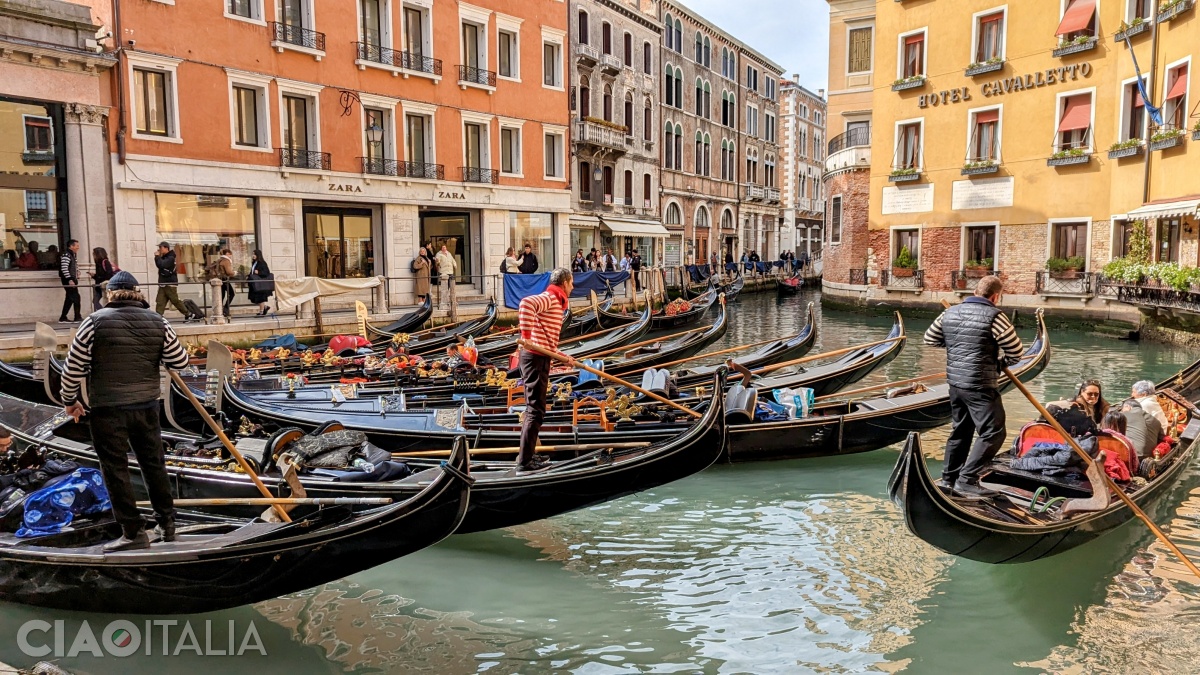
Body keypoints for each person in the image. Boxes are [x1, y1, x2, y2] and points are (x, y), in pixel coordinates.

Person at [60, 270, 187, 551]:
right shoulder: (159, 321)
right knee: (153, 464)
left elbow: (72, 369)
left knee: (115, 469)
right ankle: (167, 524)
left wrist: (70, 400)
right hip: (147, 406)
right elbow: (179, 361)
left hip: (108, 409)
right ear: (138, 293)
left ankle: (133, 533)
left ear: (110, 294)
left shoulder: (93, 323)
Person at [923, 276, 1025, 498]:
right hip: (980, 384)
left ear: (976, 291)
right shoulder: (995, 316)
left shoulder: (950, 313)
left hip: (956, 383)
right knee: (994, 432)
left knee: (961, 429)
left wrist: (955, 346)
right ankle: (967, 480)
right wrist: (999, 363)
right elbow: (1016, 353)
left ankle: (949, 479)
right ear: (996, 296)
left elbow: (929, 338)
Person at [516, 267, 574, 473]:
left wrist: (565, 358)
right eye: (572, 283)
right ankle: (524, 462)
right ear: (564, 283)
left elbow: (548, 342)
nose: (573, 287)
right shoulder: (550, 298)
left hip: (540, 356)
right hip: (534, 358)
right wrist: (527, 337)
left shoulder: (556, 303)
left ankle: (529, 455)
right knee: (535, 411)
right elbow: (525, 304)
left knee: (537, 410)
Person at [153, 241, 192, 318]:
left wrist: (157, 257)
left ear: (166, 248)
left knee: (175, 300)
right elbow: (160, 264)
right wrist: (158, 257)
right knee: (160, 301)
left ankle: (188, 314)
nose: (159, 249)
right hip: (163, 283)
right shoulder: (164, 257)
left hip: (170, 283)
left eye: (161, 247)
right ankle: (158, 316)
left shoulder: (170, 257)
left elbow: (161, 265)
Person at [56, 239, 82, 323]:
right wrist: (70, 279)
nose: (78, 247)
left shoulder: (72, 255)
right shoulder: (66, 255)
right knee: (76, 297)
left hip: (71, 278)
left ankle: (63, 317)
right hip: (68, 279)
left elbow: (74, 265)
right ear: (71, 246)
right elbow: (64, 268)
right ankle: (77, 317)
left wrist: (77, 272)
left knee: (70, 298)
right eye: (77, 246)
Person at [248, 249, 273, 316]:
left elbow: (266, 272)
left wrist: (259, 272)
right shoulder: (254, 263)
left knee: (260, 297)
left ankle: (262, 311)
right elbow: (252, 271)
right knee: (255, 298)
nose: (253, 256)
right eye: (253, 254)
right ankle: (264, 307)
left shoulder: (262, 263)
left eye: (254, 254)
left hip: (260, 283)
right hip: (255, 283)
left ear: (258, 255)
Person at [91, 247, 115, 312]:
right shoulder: (98, 263)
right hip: (99, 286)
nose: (93, 255)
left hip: (104, 285)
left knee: (102, 301)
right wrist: (94, 276)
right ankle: (104, 312)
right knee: (95, 301)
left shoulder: (105, 262)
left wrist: (98, 277)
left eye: (94, 254)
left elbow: (108, 274)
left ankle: (104, 312)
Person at [216, 248, 236, 317]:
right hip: (224, 279)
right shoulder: (226, 260)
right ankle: (225, 310)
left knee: (222, 295)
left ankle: (219, 311)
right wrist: (234, 273)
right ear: (227, 254)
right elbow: (228, 272)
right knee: (231, 294)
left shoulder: (219, 260)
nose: (231, 256)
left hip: (220, 279)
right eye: (230, 254)